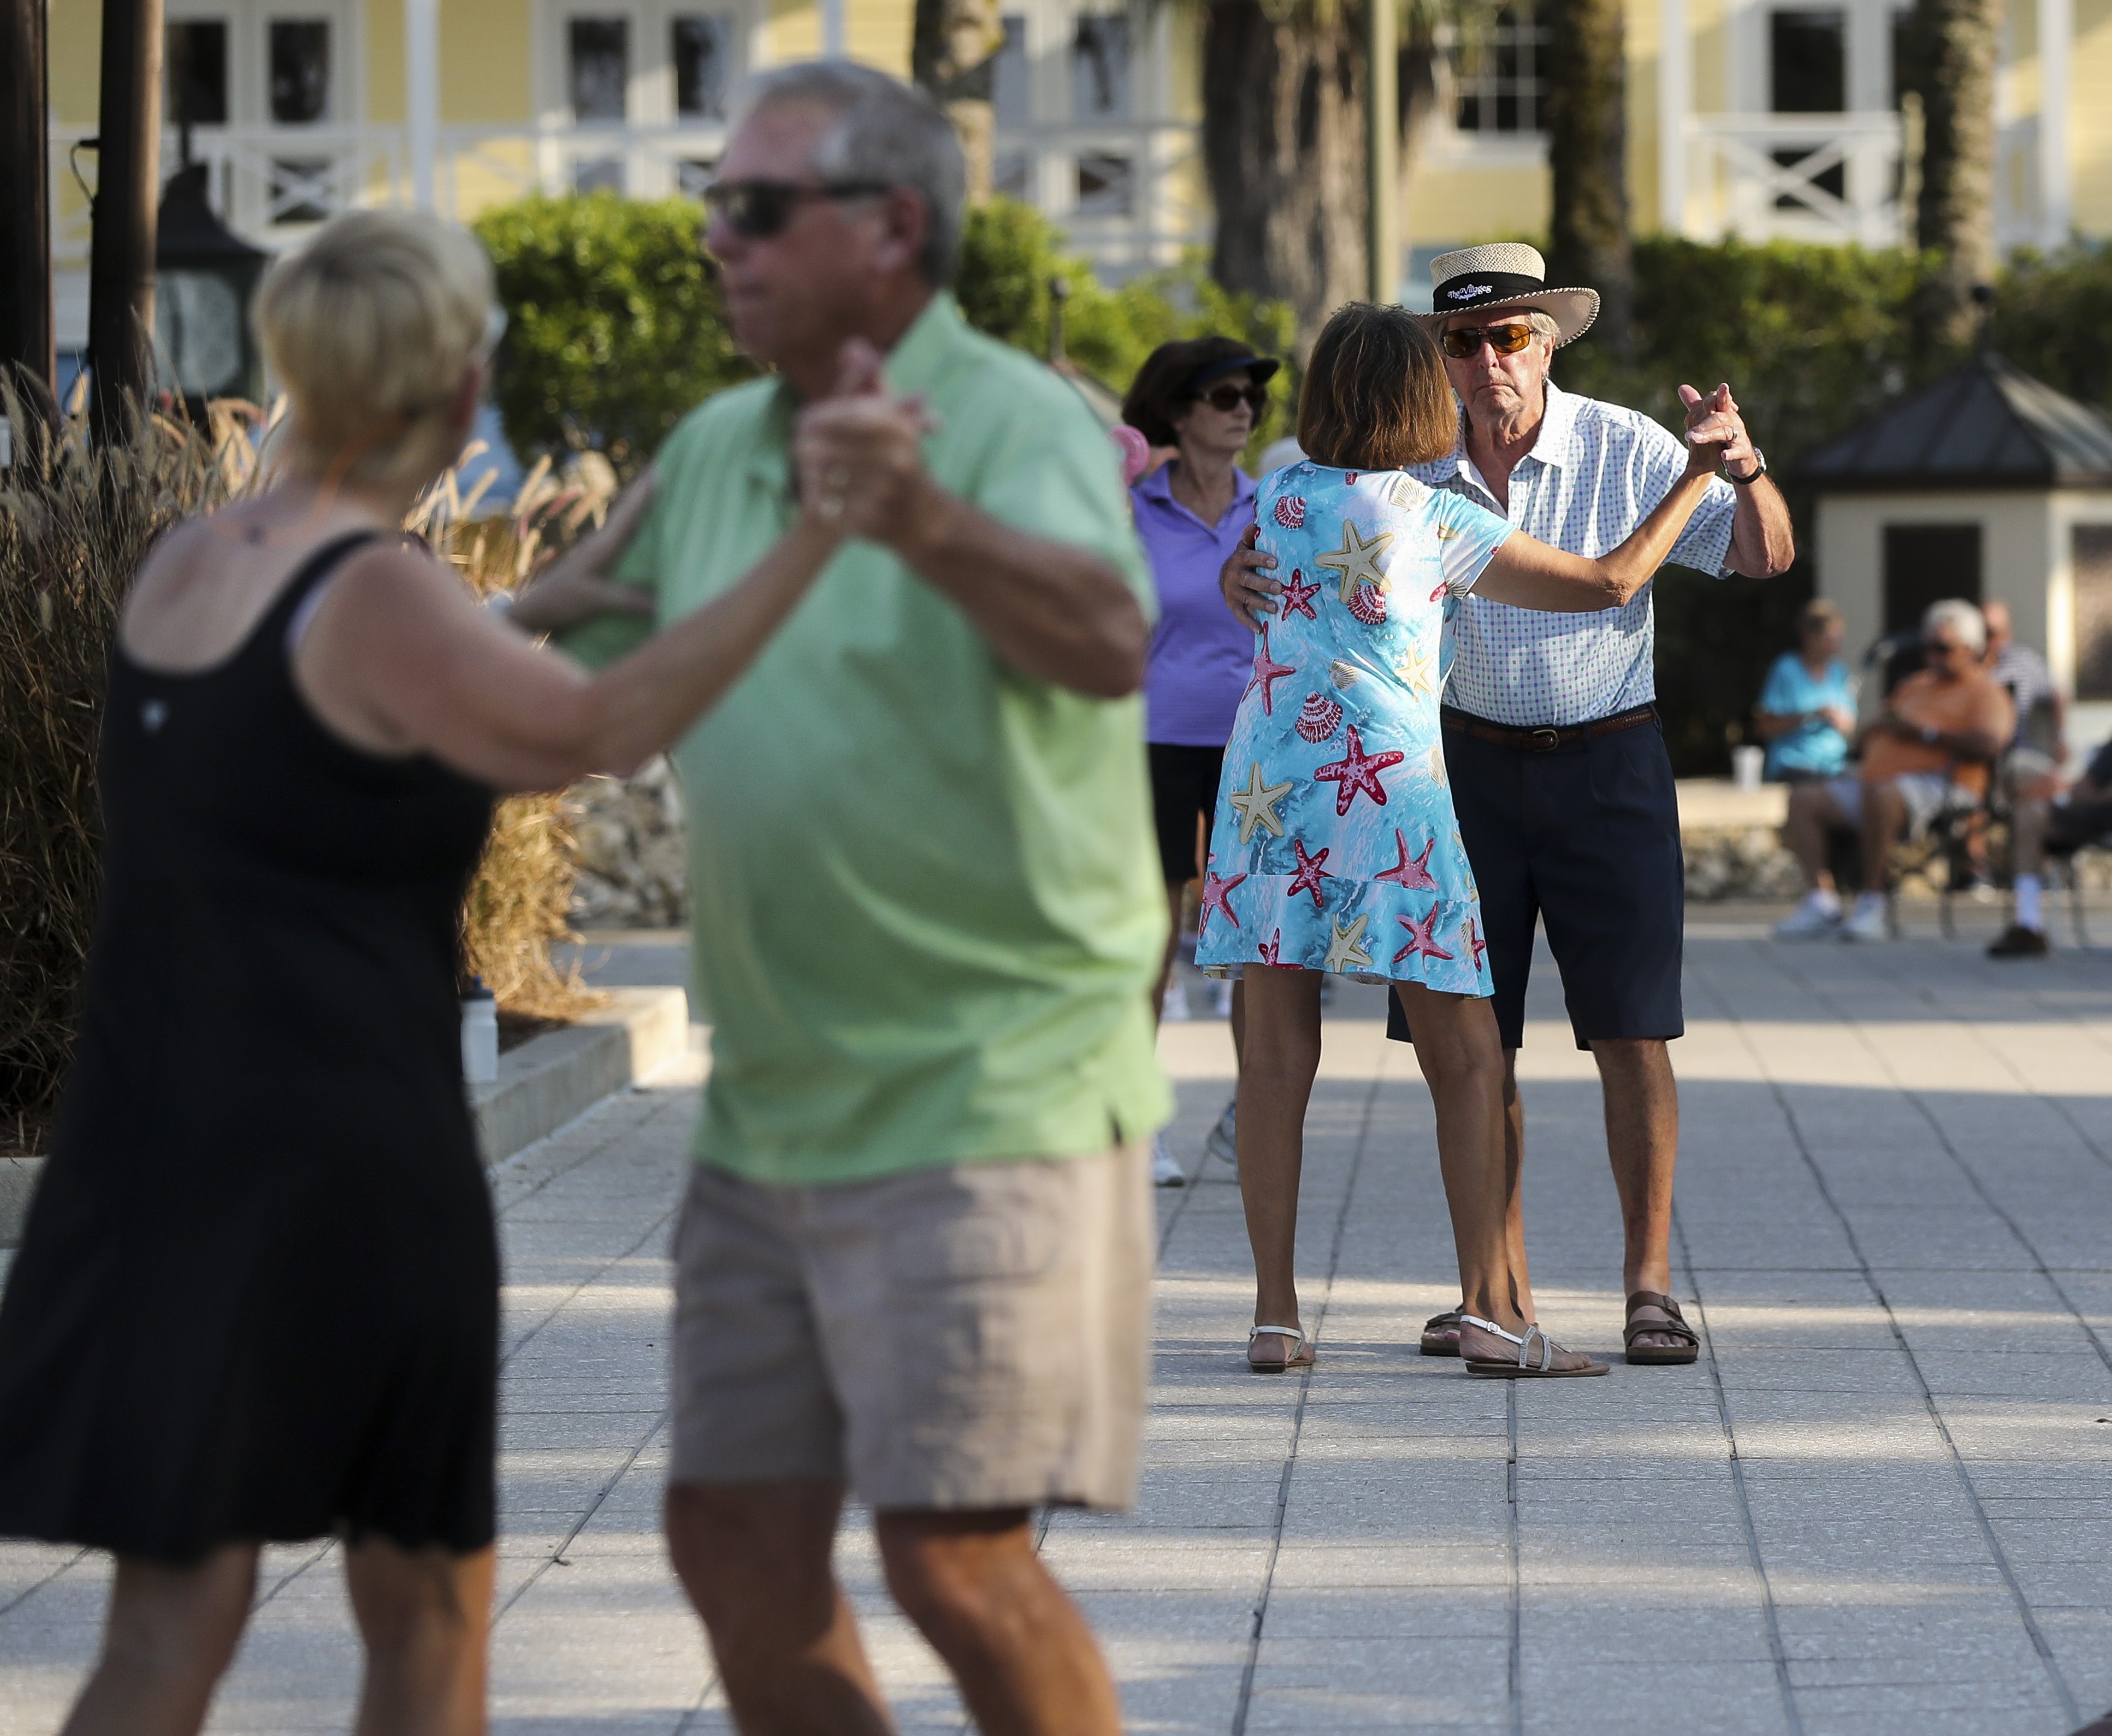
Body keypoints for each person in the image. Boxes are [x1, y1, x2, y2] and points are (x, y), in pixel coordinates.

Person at [0, 209, 847, 1736]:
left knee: (159, 1636)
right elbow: (583, 732)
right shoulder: (379, 599)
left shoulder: (188, 565)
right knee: (426, 1616)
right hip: (335, 1157)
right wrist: (805, 544)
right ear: (456, 390)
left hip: (146, 1150)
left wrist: (574, 579)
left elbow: (377, 687)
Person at [523, 63, 1168, 1736]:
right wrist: (487, 605)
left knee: (953, 1554)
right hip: (772, 1103)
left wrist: (918, 515)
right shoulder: (716, 445)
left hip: (993, 1084)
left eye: (751, 207)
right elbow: (573, 725)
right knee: (732, 1534)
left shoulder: (1010, 420)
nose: (713, 243)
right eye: (708, 208)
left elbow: (1108, 640)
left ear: (890, 227)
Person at [1226, 243, 1794, 1366]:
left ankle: (1287, 1313)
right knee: (1475, 1047)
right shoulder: (1422, 495)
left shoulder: (1295, 484)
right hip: (1422, 777)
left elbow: (1760, 553)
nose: (1480, 361)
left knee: (1605, 1031)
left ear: (1545, 342)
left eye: (1506, 336)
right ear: (1422, 372)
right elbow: (1607, 583)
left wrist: (1729, 467)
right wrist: (1694, 475)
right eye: (1455, 343)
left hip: (1333, 790)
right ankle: (1496, 1303)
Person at [1123, 335, 1281, 1185]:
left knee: (1251, 942)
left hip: (1253, 749)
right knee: (1150, 936)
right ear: (1178, 414)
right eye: (1224, 397)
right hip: (1149, 745)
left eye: (1249, 397)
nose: (1243, 410)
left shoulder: (1275, 505)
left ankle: (1248, 1115)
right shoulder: (1130, 509)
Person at [1777, 599, 2013, 943]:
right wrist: (1875, 731)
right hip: (1875, 779)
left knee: (1883, 793)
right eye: (1928, 647)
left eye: (1942, 648)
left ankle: (1872, 903)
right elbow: (1875, 731)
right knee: (1803, 798)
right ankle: (1821, 902)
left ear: (1972, 649)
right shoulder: (1914, 685)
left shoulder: (1985, 691)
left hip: (1942, 785)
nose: (1932, 657)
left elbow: (1990, 744)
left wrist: (1925, 733)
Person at [1986, 733, 2112, 957]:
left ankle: (2029, 925)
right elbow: (2086, 787)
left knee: (2030, 812)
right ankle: (2029, 925)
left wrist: (2072, 791)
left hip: (2097, 812)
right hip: (2093, 814)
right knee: (2029, 814)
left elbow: (2086, 790)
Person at [1754, 599, 1857, 782]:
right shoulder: (1785, 669)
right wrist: (1812, 715)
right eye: (1830, 639)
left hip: (1835, 766)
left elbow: (1850, 724)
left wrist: (1840, 721)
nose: (1836, 645)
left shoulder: (1839, 672)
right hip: (1794, 766)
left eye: (1839, 639)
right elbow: (1764, 726)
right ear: (1809, 636)